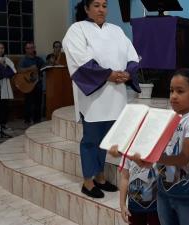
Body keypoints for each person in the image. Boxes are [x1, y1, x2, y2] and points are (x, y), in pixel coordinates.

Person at [62, 0, 141, 199]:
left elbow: (132, 55)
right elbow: (78, 59)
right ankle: (88, 181)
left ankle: (100, 176)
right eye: (96, 5)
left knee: (107, 139)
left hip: (116, 94)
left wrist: (128, 73)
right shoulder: (77, 29)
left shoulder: (116, 30)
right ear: (87, 8)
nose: (101, 9)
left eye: (104, 5)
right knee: (91, 139)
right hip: (94, 96)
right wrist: (108, 75)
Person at [133, 68, 189, 225]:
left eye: (180, 91)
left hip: (187, 194)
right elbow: (160, 151)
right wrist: (145, 160)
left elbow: (183, 158)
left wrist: (154, 157)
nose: (173, 96)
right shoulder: (168, 118)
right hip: (164, 191)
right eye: (171, 91)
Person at [108, 148, 160, 225]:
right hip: (134, 205)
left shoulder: (158, 149)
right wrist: (122, 205)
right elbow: (125, 178)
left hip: (156, 206)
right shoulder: (129, 151)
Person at [18, 41, 45, 125]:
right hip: (27, 84)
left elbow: (44, 68)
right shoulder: (23, 60)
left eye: (32, 47)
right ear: (25, 49)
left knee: (38, 102)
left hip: (37, 83)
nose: (30, 50)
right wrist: (30, 68)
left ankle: (37, 120)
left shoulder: (39, 59)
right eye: (28, 48)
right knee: (28, 103)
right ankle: (27, 120)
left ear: (34, 48)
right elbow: (19, 70)